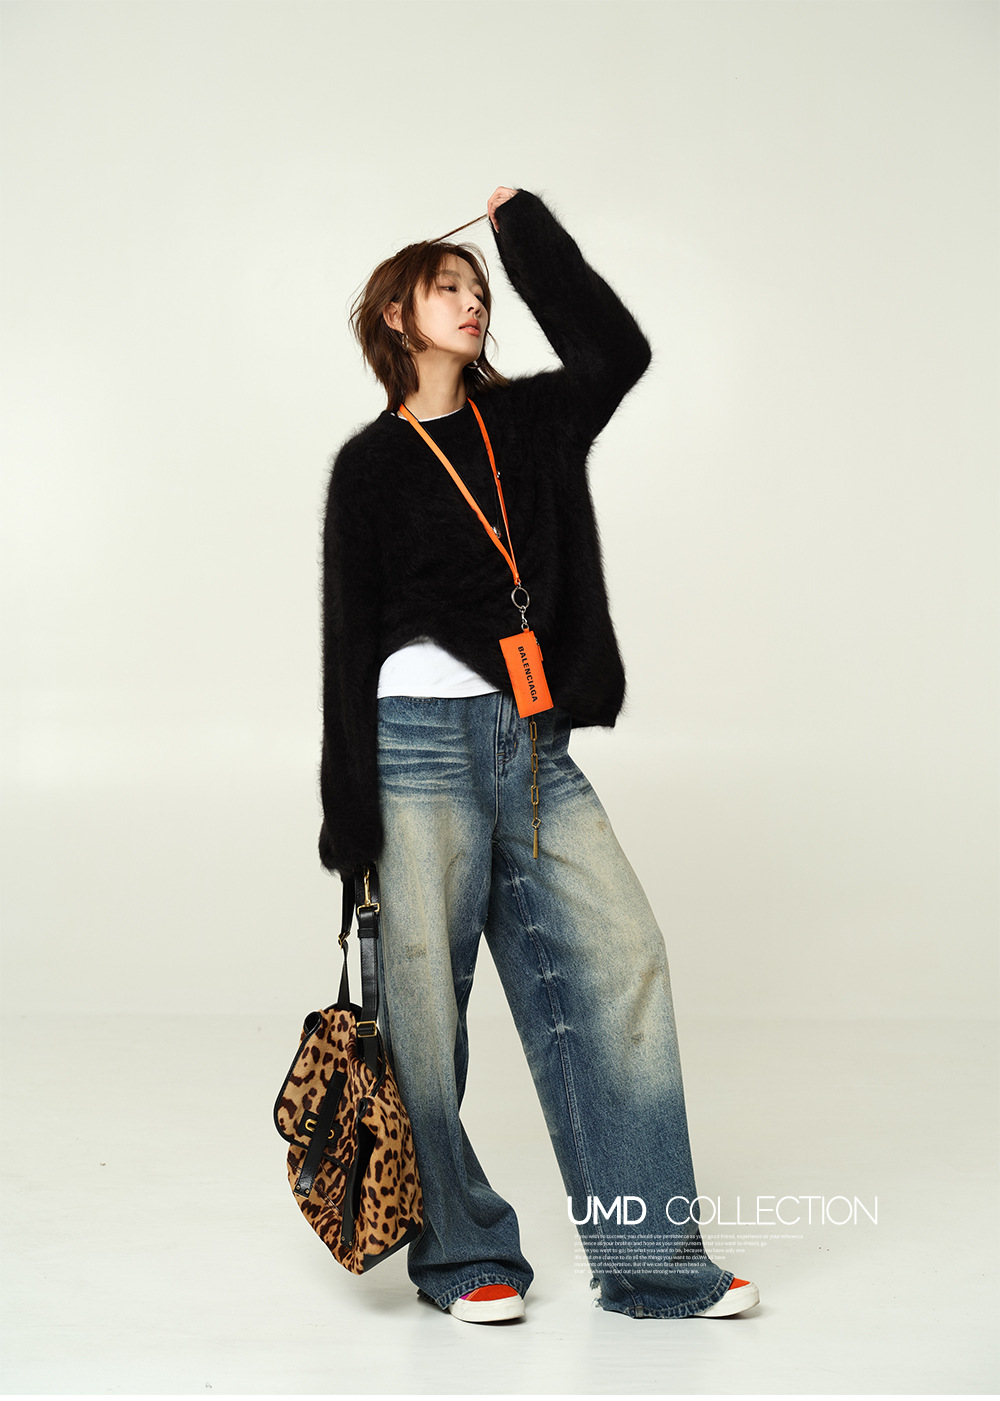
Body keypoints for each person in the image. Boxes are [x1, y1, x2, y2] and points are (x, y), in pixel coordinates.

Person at [319, 185, 760, 1324]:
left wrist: (521, 230)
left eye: (479, 289)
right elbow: (345, 644)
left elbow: (618, 350)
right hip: (414, 748)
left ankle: (653, 1263)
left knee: (622, 958)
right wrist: (349, 810)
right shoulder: (368, 466)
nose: (471, 303)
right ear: (396, 317)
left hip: (532, 742)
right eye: (446, 287)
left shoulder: (532, 423)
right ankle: (462, 1255)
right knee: (424, 1008)